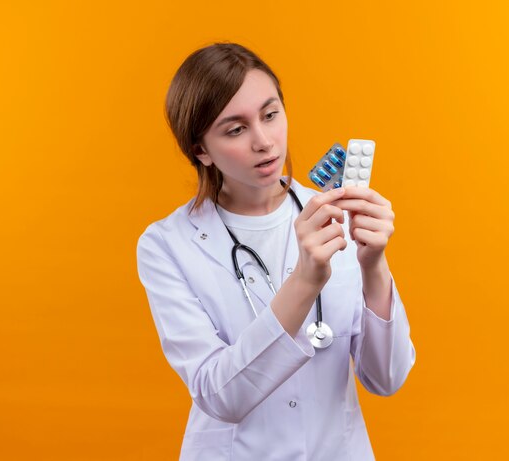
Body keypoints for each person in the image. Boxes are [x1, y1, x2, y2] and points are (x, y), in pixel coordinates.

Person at [136, 43, 415, 461]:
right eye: (235, 129)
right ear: (201, 151)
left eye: (270, 114)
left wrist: (373, 264)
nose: (264, 141)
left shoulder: (334, 210)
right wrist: (305, 280)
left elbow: (386, 377)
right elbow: (220, 395)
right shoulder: (166, 245)